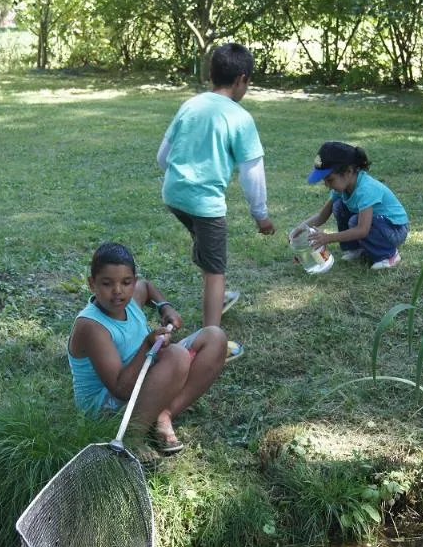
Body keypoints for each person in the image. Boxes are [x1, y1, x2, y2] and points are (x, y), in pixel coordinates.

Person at [157, 42, 276, 361]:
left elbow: (162, 156)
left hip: (173, 195)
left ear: (211, 74)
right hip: (204, 204)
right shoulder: (240, 118)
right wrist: (261, 215)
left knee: (205, 248)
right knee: (215, 270)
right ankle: (211, 345)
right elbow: (253, 172)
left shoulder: (190, 105)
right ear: (241, 79)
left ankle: (216, 298)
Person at [68, 242, 227, 462]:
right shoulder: (92, 326)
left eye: (126, 282)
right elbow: (121, 388)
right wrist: (147, 346)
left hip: (141, 375)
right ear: (92, 284)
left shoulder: (132, 298)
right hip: (105, 405)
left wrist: (165, 306)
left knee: (214, 337)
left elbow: (147, 286)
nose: (118, 291)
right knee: (176, 356)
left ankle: (164, 413)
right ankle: (133, 436)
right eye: (107, 283)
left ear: (132, 280)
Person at [290, 141, 409, 270]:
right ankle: (355, 249)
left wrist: (328, 238)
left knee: (355, 221)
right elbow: (321, 216)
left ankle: (389, 255)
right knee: (338, 206)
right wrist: (298, 229)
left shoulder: (366, 189)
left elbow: (362, 230)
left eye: (329, 180)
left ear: (348, 171)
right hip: (378, 225)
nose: (326, 185)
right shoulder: (341, 189)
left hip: (395, 229)